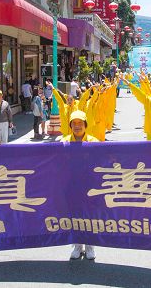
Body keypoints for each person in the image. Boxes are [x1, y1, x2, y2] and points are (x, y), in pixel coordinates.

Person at [63, 110, 99, 259]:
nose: (77, 126)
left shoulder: (94, 142)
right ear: (70, 125)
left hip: (90, 186)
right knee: (74, 215)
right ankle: (77, 245)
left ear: (85, 125)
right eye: (74, 123)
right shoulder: (63, 142)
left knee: (89, 215)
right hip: (71, 185)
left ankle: (90, 245)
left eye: (80, 123)